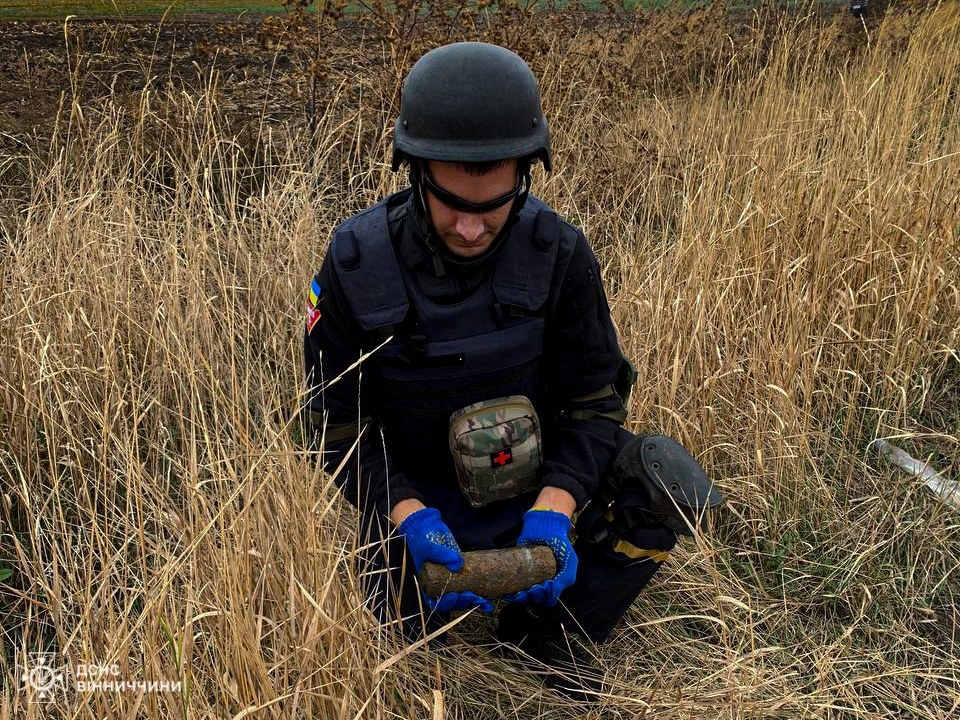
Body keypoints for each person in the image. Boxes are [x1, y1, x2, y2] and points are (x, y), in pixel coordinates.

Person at [303, 41, 722, 700]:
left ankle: (551, 632)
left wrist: (554, 513)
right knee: (402, 661)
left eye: (494, 205)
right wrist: (406, 515)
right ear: (415, 171)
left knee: (663, 479)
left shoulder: (558, 254)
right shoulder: (357, 267)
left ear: (527, 174)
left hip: (536, 496)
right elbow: (337, 433)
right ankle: (423, 612)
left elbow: (594, 407)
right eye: (451, 204)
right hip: (418, 517)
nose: (472, 229)